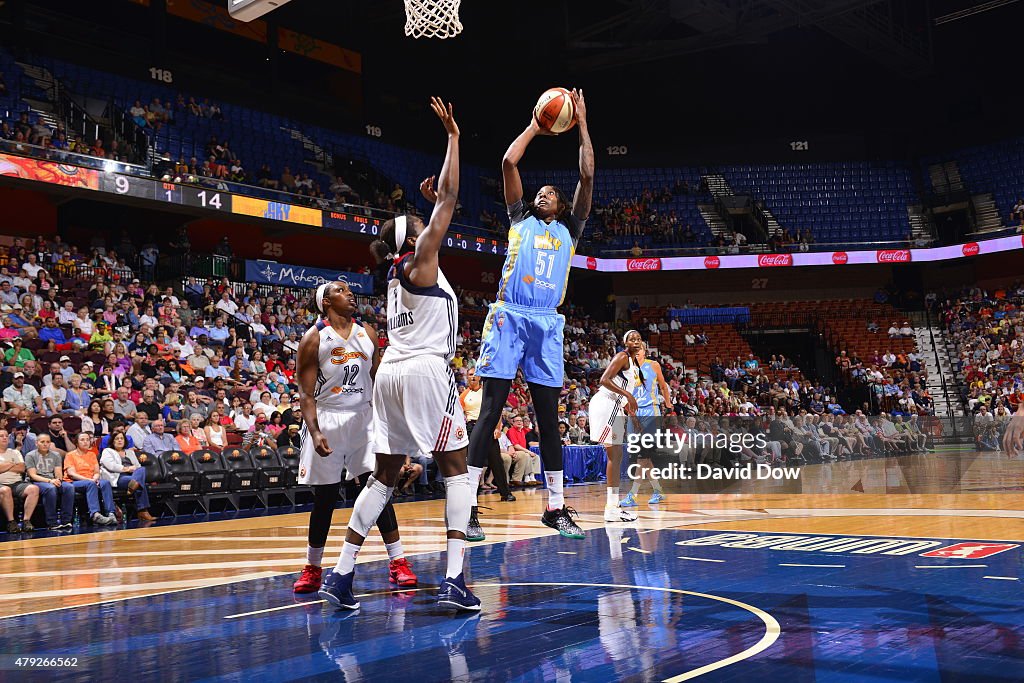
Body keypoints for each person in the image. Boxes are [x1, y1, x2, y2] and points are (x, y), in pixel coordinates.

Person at [319, 99, 479, 612]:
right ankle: (454, 578)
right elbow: (451, 197)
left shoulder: (398, 270)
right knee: (457, 469)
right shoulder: (423, 259)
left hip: (391, 372)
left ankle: (341, 576)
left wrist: (427, 207)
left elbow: (435, 212)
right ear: (416, 237)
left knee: (384, 477)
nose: (423, 221)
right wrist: (453, 137)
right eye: (419, 221)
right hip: (426, 371)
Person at [461, 89, 592, 542]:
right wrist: (537, 125)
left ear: (561, 207)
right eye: (540, 193)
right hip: (509, 316)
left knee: (549, 418)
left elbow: (588, 176)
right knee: (490, 411)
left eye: (550, 194)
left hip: (546, 322)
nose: (543, 196)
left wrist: (583, 125)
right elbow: (508, 164)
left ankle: (555, 508)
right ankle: (467, 507)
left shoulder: (571, 230)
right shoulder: (520, 218)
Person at [292, 280, 416, 595]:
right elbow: (306, 394)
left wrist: (390, 424)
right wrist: (316, 430)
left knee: (378, 488)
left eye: (350, 289)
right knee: (326, 498)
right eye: (341, 290)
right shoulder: (313, 339)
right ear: (326, 302)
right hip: (328, 417)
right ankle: (313, 568)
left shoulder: (367, 334)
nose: (350, 293)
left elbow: (379, 382)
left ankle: (398, 562)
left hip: (363, 417)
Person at [587, 331, 641, 523]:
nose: (635, 341)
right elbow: (604, 380)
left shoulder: (634, 364)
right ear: (625, 342)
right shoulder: (622, 356)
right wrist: (629, 395)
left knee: (616, 456)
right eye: (631, 338)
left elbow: (621, 393)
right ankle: (611, 508)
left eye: (638, 338)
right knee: (615, 455)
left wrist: (631, 413)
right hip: (606, 403)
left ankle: (613, 507)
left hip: (616, 406)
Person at [620, 341, 669, 507]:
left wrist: (668, 404)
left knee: (642, 457)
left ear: (645, 351)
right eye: (634, 349)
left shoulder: (653, 365)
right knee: (644, 458)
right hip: (635, 414)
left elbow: (663, 385)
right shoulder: (627, 370)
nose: (637, 352)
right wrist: (631, 414)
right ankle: (658, 491)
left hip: (651, 413)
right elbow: (625, 396)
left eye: (639, 349)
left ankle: (632, 495)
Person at [63, 432, 118, 525]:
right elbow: (71, 474)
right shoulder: (70, 455)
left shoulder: (92, 454)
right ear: (76, 442)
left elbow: (96, 472)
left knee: (105, 483)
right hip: (74, 481)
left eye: (88, 440)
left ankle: (111, 513)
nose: (85, 442)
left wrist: (95, 478)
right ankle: (95, 514)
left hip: (91, 480)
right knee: (91, 484)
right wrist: (90, 480)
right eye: (82, 440)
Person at [100, 431, 155, 521]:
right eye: (117, 439)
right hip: (118, 477)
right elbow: (111, 466)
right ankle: (142, 511)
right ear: (112, 441)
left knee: (142, 469)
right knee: (141, 483)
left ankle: (134, 484)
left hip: (132, 476)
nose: (120, 440)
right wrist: (127, 469)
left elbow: (137, 466)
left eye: (121, 438)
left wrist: (133, 471)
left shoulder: (130, 452)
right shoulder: (108, 451)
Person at [25, 434, 74, 529]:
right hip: (38, 481)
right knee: (50, 488)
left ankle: (66, 521)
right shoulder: (30, 455)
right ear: (36, 443)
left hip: (53, 480)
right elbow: (32, 475)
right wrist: (50, 481)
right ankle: (52, 522)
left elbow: (58, 472)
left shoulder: (56, 455)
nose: (45, 444)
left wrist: (58, 480)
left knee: (69, 487)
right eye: (42, 442)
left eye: (48, 442)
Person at [0, 428, 40, 532]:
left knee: (33, 489)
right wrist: (12, 464)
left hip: (17, 483)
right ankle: (11, 522)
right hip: (1, 484)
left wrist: (4, 466)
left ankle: (26, 521)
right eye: (1, 436)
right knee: (5, 490)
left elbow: (22, 468)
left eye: (5, 436)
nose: (4, 438)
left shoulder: (15, 452)